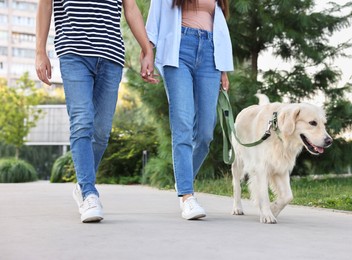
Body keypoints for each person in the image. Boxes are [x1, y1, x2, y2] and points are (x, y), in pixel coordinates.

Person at [35, 0, 158, 223]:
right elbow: (45, 4)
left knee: (101, 130)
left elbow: (130, 8)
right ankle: (89, 192)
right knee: (82, 121)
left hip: (111, 55)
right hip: (74, 51)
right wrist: (40, 51)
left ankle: (82, 185)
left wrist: (147, 49)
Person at [145, 0, 234, 220]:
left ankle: (183, 177)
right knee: (183, 124)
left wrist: (223, 68)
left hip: (210, 54)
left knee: (205, 133)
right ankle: (187, 196)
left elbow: (219, 24)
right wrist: (147, 51)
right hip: (179, 49)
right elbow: (155, 14)